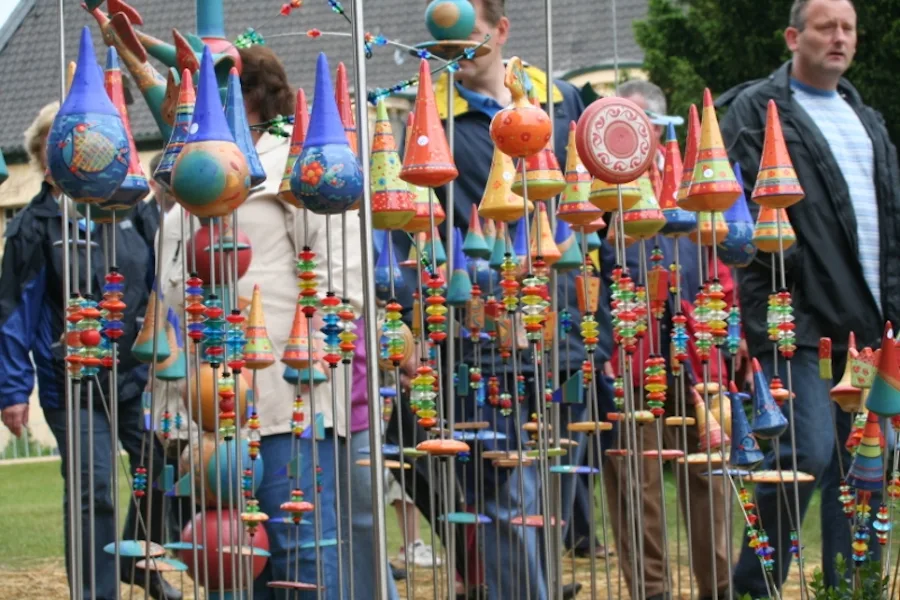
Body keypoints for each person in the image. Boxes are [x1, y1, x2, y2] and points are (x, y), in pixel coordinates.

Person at [155, 45, 399, 600]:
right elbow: (172, 287)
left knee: (303, 554)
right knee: (233, 562)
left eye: (214, 89)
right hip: (214, 413)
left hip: (289, 407)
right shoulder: (190, 181)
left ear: (252, 97)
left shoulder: (296, 166)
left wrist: (309, 367)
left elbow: (343, 283)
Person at [390, 1, 616, 598]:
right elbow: (412, 233)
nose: (456, 58)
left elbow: (600, 215)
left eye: (469, 43)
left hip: (566, 331)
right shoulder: (430, 121)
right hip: (481, 340)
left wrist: (600, 328)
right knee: (505, 497)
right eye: (443, 51)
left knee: (551, 496)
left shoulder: (563, 104)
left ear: (502, 30)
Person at [718, 0, 900, 594]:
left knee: (865, 468)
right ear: (794, 36)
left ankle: (851, 590)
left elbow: (888, 222)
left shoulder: (866, 118)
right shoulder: (755, 110)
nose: (839, 37)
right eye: (826, 26)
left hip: (868, 326)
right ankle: (755, 587)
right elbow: (742, 226)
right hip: (794, 319)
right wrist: (779, 304)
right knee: (804, 452)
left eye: (848, 28)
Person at [0, 103, 180, 600]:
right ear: (45, 154)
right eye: (65, 141)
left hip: (139, 376)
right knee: (94, 487)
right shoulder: (33, 225)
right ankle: (96, 593)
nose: (81, 150)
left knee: (164, 467)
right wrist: (13, 390)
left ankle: (138, 560)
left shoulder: (131, 211)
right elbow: (14, 315)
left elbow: (161, 288)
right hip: (71, 382)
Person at [598, 80, 733, 600]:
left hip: (699, 356)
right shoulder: (596, 188)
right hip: (628, 357)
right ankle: (651, 593)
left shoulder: (695, 180)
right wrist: (603, 347)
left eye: (632, 123)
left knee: (710, 477)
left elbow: (722, 258)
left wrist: (727, 334)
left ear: (656, 127)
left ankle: (718, 590)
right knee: (637, 485)